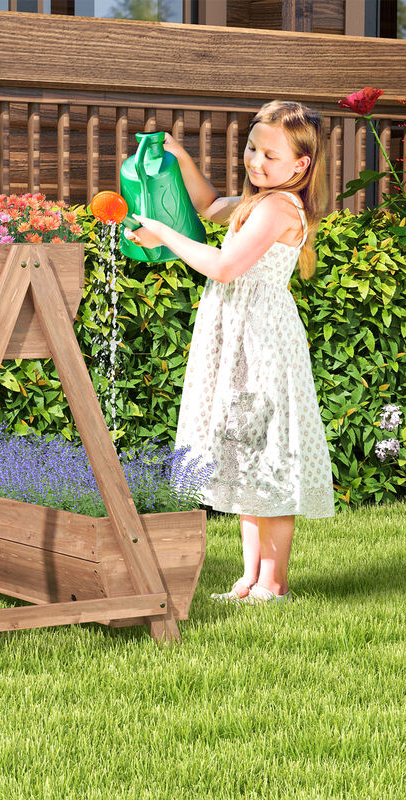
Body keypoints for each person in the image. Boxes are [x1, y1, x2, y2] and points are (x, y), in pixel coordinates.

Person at [126, 100, 335, 603]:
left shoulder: (281, 207)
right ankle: (249, 578)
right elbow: (207, 206)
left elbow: (225, 267)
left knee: (267, 462)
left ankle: (275, 581)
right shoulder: (255, 201)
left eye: (269, 155)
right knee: (243, 457)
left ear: (300, 166)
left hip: (261, 346)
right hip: (240, 341)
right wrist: (180, 159)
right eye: (252, 148)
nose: (256, 161)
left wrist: (164, 234)